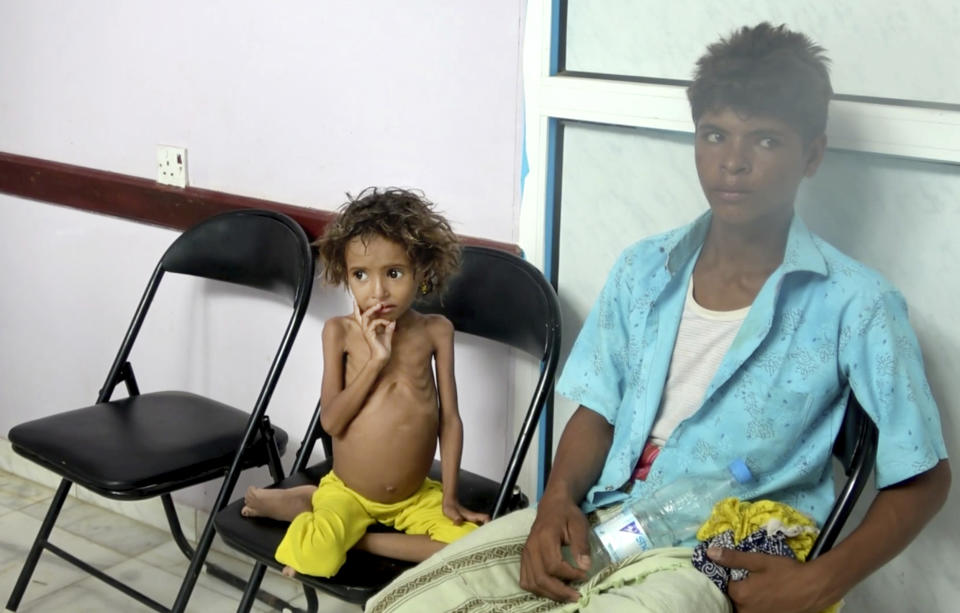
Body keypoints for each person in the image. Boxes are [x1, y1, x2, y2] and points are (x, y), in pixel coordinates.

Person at [365, 23, 950, 613]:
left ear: (812, 155)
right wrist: (555, 501)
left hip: (724, 545)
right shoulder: (644, 269)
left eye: (766, 141)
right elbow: (597, 411)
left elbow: (922, 475)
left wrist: (824, 579)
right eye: (716, 135)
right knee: (405, 604)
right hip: (604, 515)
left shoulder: (857, 303)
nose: (734, 162)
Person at [241, 187, 490, 578]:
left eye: (394, 273)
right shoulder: (338, 332)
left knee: (471, 546)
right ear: (346, 276)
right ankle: (321, 507)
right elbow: (332, 424)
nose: (378, 291)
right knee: (317, 559)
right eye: (361, 275)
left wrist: (451, 498)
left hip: (413, 496)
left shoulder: (436, 331)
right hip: (349, 492)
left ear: (421, 271)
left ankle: (348, 533)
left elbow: (450, 420)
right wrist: (376, 360)